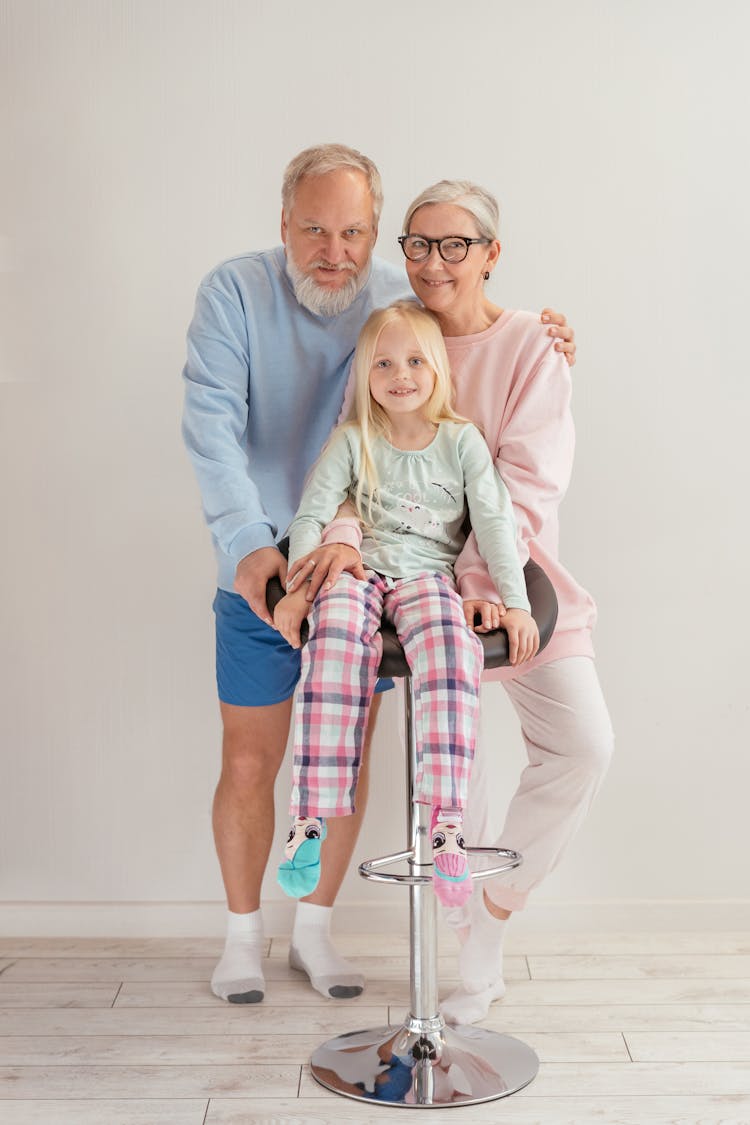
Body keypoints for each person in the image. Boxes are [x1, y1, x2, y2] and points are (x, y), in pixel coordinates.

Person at [182, 142, 577, 1006]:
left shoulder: (397, 316)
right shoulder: (234, 293)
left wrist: (543, 335)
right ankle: (244, 935)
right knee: (252, 759)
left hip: (371, 584)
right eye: (316, 228)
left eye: (354, 230)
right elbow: (211, 427)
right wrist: (257, 546)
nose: (335, 249)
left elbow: (454, 368)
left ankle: (314, 934)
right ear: (284, 224)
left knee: (347, 748)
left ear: (376, 237)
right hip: (261, 571)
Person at [289, 179, 614, 1025]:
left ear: (491, 253)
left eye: (455, 245)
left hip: (513, 586)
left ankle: (489, 918)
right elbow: (355, 465)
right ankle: (454, 920)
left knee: (583, 743)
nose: (434, 262)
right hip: (412, 591)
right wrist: (343, 544)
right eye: (418, 244)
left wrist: (482, 590)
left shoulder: (534, 346)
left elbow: (523, 494)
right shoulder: (400, 338)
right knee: (451, 761)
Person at [272, 301, 539, 910]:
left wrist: (515, 603)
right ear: (366, 374)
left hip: (427, 580)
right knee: (334, 642)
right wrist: (298, 593)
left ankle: (448, 823)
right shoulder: (353, 440)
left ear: (438, 368)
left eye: (416, 360)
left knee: (452, 652)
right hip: (359, 572)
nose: (402, 374)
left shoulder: (461, 441)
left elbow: (497, 525)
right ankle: (309, 818)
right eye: (385, 362)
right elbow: (312, 516)